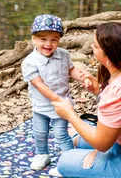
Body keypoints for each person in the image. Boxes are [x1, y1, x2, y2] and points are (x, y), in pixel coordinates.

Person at [50, 22, 121, 178]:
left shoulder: (117, 90)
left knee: (65, 161)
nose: (91, 46)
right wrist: (99, 91)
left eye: (95, 45)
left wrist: (70, 115)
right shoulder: (115, 81)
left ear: (108, 55)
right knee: (79, 140)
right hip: (115, 140)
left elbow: (102, 144)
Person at [21, 14, 91, 171]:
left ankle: (70, 160)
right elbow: (40, 85)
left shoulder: (63, 54)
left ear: (59, 40)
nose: (48, 43)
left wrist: (82, 77)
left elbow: (71, 69)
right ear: (33, 39)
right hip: (42, 106)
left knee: (61, 134)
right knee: (39, 133)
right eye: (43, 39)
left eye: (54, 39)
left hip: (62, 107)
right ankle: (42, 154)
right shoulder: (30, 62)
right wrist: (58, 99)